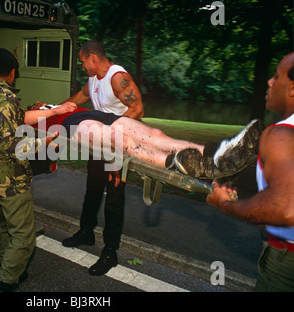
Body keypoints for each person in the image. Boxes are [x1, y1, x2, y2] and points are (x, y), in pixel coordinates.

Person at [40, 40, 263, 277]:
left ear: (92, 57)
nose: (82, 66)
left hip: (117, 141)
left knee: (114, 200)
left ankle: (110, 251)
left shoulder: (117, 77)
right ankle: (86, 232)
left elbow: (137, 110)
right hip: (100, 143)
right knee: (93, 190)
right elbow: (80, 97)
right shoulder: (93, 79)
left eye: (83, 62)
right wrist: (59, 108)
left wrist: (115, 138)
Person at [0, 48, 76, 292]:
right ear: (12, 72)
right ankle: (5, 282)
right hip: (9, 179)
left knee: (9, 226)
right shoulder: (6, 100)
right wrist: (46, 141)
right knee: (24, 236)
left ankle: (8, 266)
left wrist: (48, 110)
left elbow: (6, 120)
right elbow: (14, 147)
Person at [206, 52, 294, 292]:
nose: (269, 82)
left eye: (277, 77)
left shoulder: (280, 134)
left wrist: (226, 205)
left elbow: (287, 207)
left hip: (287, 262)